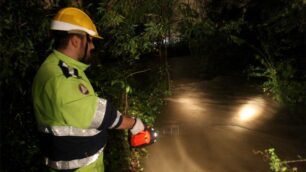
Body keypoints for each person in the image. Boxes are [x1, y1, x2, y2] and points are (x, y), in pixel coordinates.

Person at [32, 7, 145, 171]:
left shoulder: (57, 67)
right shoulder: (61, 78)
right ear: (75, 40)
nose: (92, 46)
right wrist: (134, 124)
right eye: (90, 40)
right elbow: (100, 115)